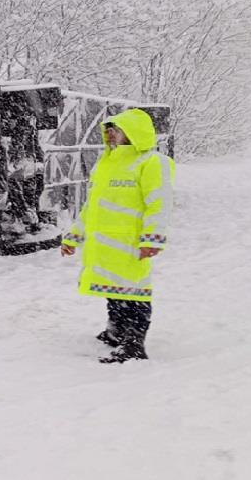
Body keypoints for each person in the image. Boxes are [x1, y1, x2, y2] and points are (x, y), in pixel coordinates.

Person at [61, 108, 175, 363]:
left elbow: (159, 203)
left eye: (117, 130)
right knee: (114, 289)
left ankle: (134, 344)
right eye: (109, 130)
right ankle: (116, 332)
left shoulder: (152, 162)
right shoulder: (107, 163)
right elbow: (93, 206)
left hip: (131, 242)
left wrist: (152, 238)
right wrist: (73, 237)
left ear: (134, 133)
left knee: (135, 292)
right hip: (104, 244)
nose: (111, 135)